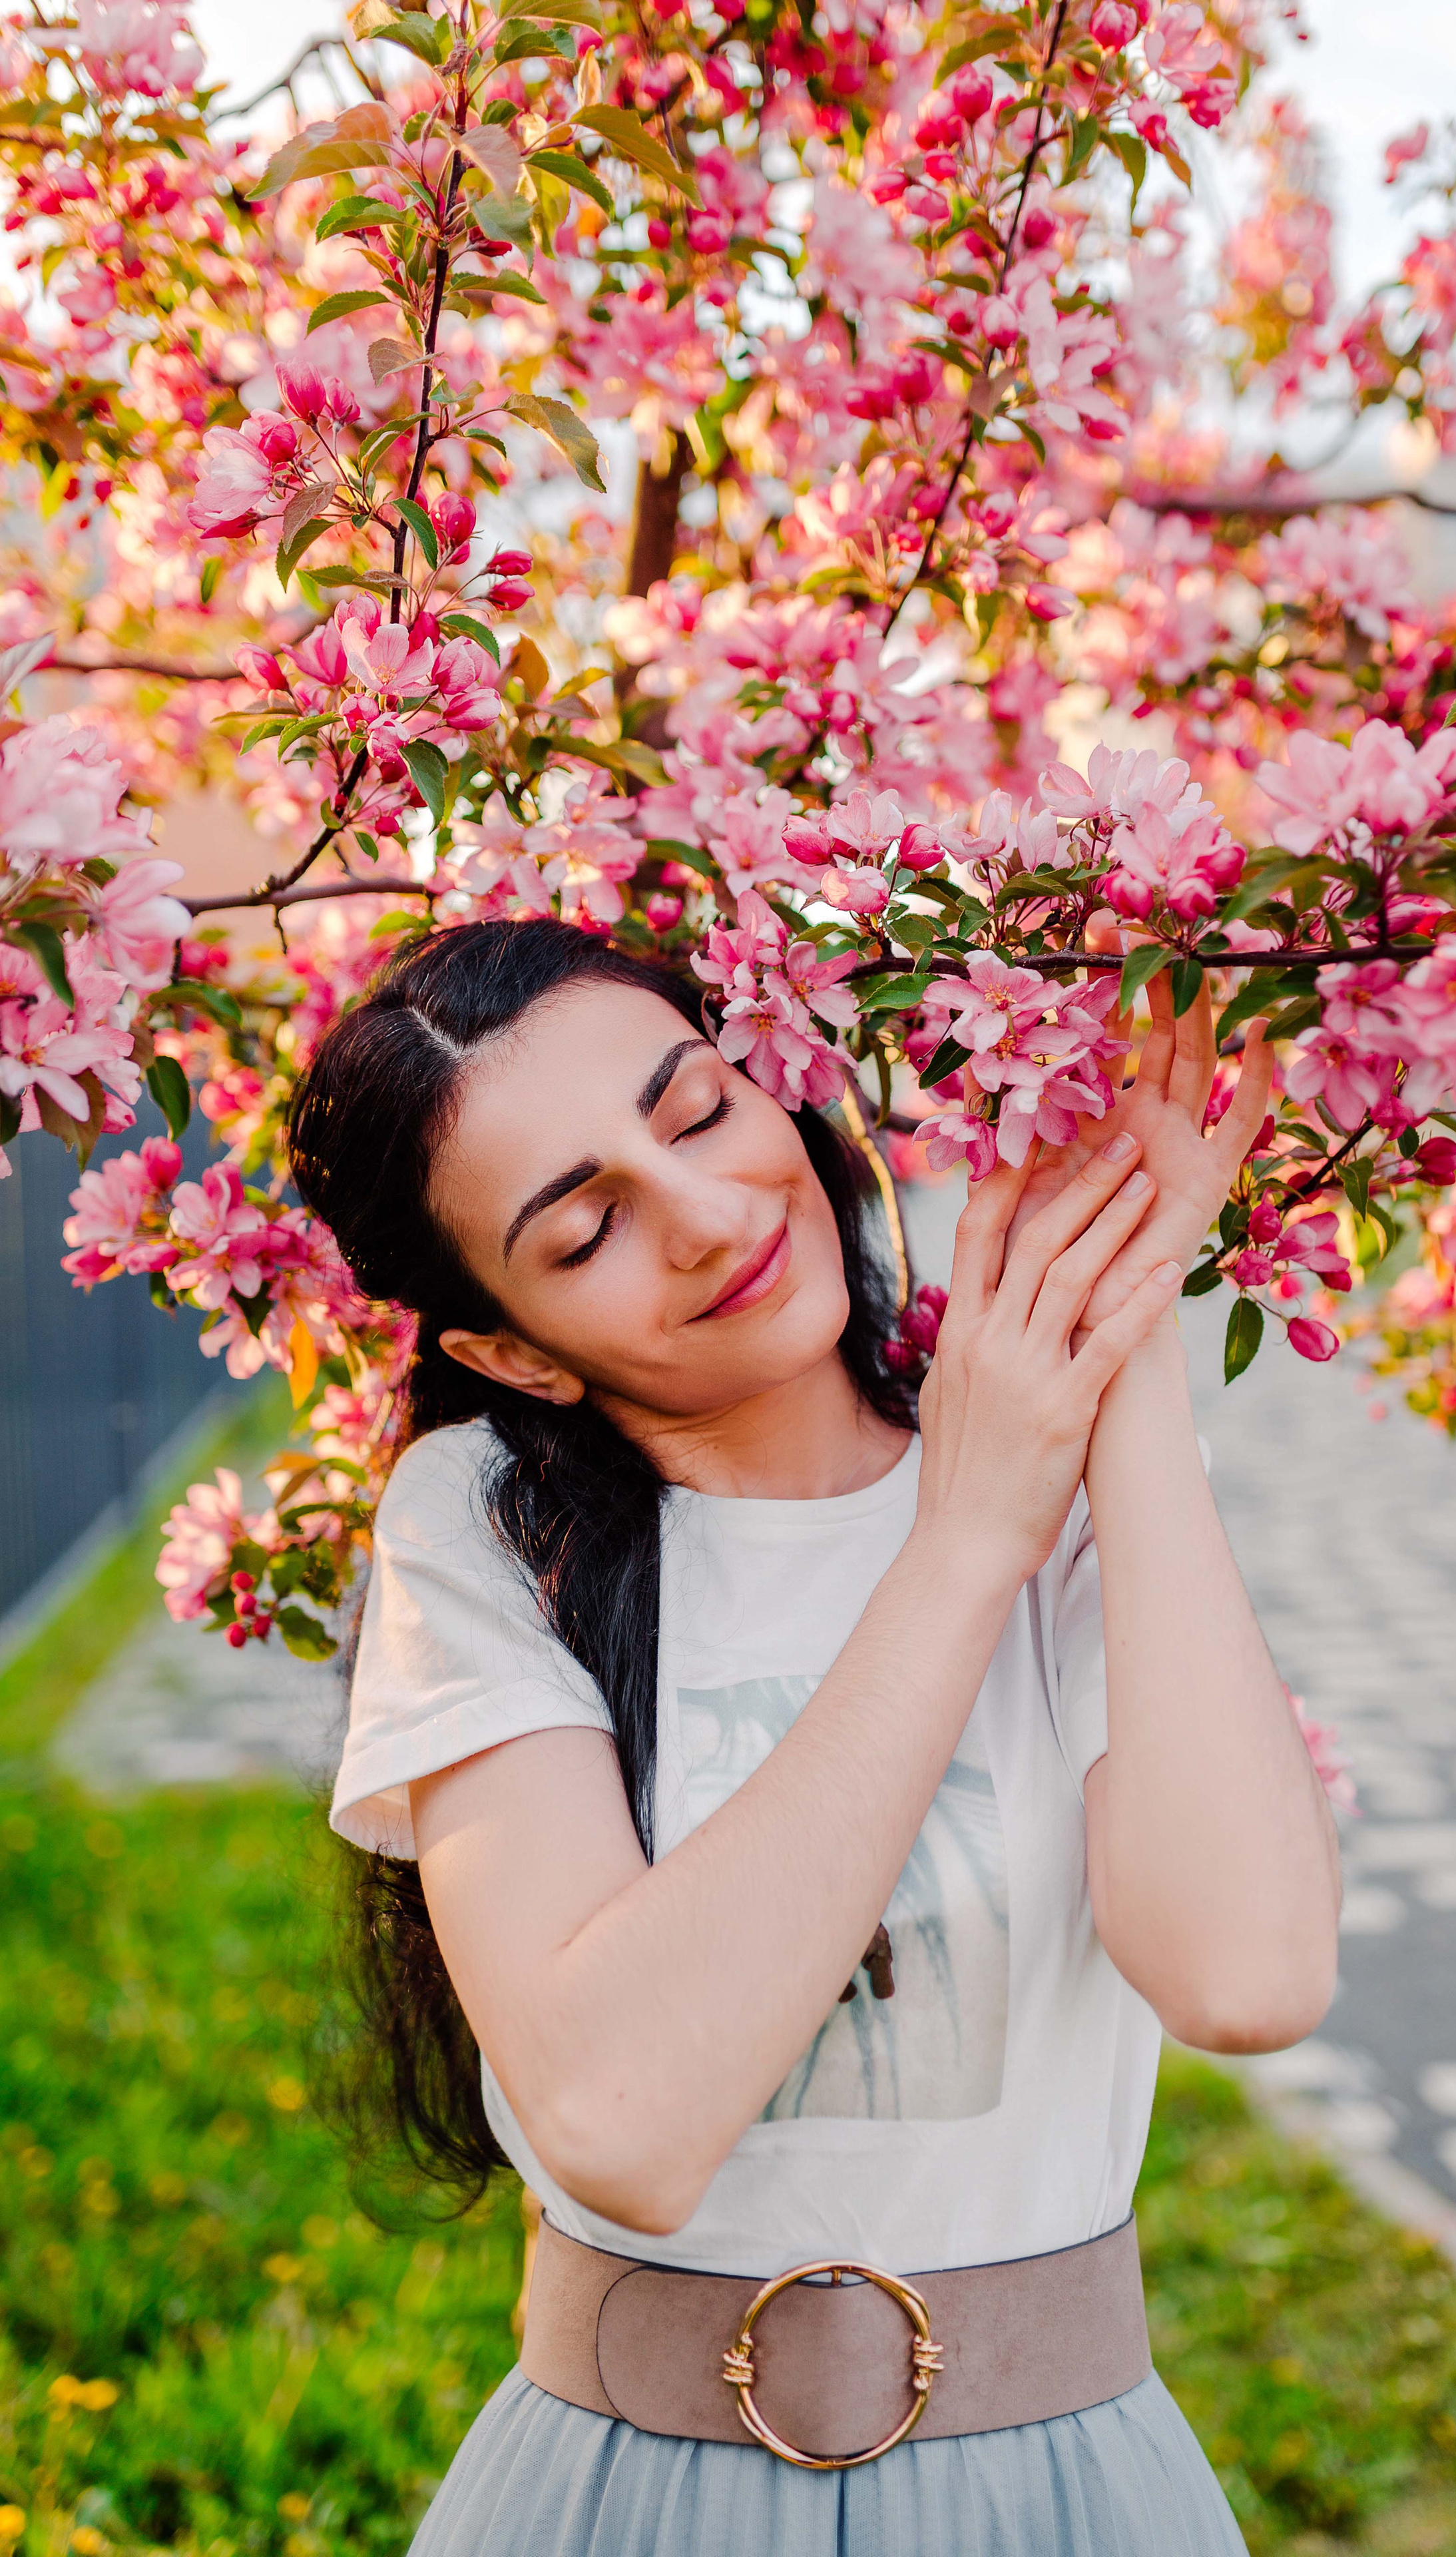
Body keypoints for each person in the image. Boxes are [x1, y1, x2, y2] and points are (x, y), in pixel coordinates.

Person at [290, 915, 1340, 2556]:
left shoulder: (1063, 1474)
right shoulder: (484, 1528)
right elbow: (623, 2124)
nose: (711, 1218)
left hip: (1057, 2494)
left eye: (700, 1110)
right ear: (509, 1353)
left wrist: (1110, 1337)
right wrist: (961, 1543)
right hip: (632, 2495)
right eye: (586, 1230)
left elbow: (1246, 1976)